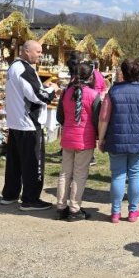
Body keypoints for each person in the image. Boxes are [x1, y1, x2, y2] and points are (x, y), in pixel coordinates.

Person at [97, 58, 139, 224]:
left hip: (116, 139)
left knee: (117, 175)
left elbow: (104, 119)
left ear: (123, 73)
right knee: (136, 175)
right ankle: (133, 211)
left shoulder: (113, 93)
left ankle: (115, 213)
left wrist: (101, 138)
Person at [1, 40, 58, 210]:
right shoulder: (24, 68)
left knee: (15, 162)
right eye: (38, 52)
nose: (41, 55)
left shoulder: (14, 66)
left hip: (16, 122)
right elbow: (37, 96)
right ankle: (31, 199)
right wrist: (52, 89)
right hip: (29, 124)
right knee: (33, 163)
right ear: (26, 51)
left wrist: (43, 86)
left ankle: (10, 194)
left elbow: (27, 89)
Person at [55, 62, 102, 221]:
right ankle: (74, 209)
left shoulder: (66, 92)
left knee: (65, 173)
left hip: (68, 137)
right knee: (79, 175)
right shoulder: (93, 95)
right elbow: (97, 120)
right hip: (84, 139)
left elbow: (59, 117)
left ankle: (61, 207)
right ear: (91, 76)